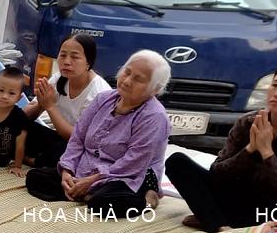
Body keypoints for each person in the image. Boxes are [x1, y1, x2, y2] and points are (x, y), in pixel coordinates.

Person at [166, 63, 277, 232]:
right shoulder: (248, 122)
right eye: (275, 85)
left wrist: (267, 153)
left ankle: (213, 218)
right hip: (235, 197)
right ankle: (221, 226)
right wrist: (250, 149)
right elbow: (217, 173)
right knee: (177, 162)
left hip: (272, 207)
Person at [24, 50, 172, 215]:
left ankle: (145, 199)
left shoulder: (154, 117)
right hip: (86, 168)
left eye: (138, 79)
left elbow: (133, 163)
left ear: (155, 90)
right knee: (35, 178)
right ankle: (85, 194)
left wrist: (91, 181)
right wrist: (67, 171)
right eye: (127, 72)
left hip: (126, 175)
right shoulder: (103, 99)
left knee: (103, 203)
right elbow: (77, 138)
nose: (127, 81)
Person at [21, 35, 112, 168]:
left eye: (74, 57)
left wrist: (50, 107)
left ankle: (34, 161)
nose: (67, 61)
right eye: (63, 55)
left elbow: (79, 139)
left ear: (88, 62)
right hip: (60, 138)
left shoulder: (99, 93)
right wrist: (41, 102)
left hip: (86, 148)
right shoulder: (58, 78)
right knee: (14, 124)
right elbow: (25, 117)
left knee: (64, 152)